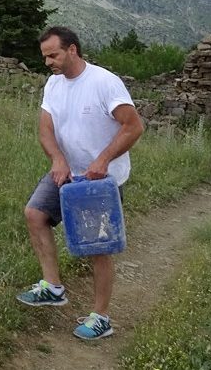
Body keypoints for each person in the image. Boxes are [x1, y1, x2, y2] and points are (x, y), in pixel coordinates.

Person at [15, 26, 144, 340]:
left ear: (72, 50)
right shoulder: (53, 84)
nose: (48, 62)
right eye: (45, 56)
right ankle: (53, 287)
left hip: (99, 181)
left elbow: (133, 126)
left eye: (53, 55)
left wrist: (102, 161)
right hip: (67, 172)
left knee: (97, 248)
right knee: (35, 214)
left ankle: (101, 318)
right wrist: (57, 158)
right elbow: (46, 128)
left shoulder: (103, 82)